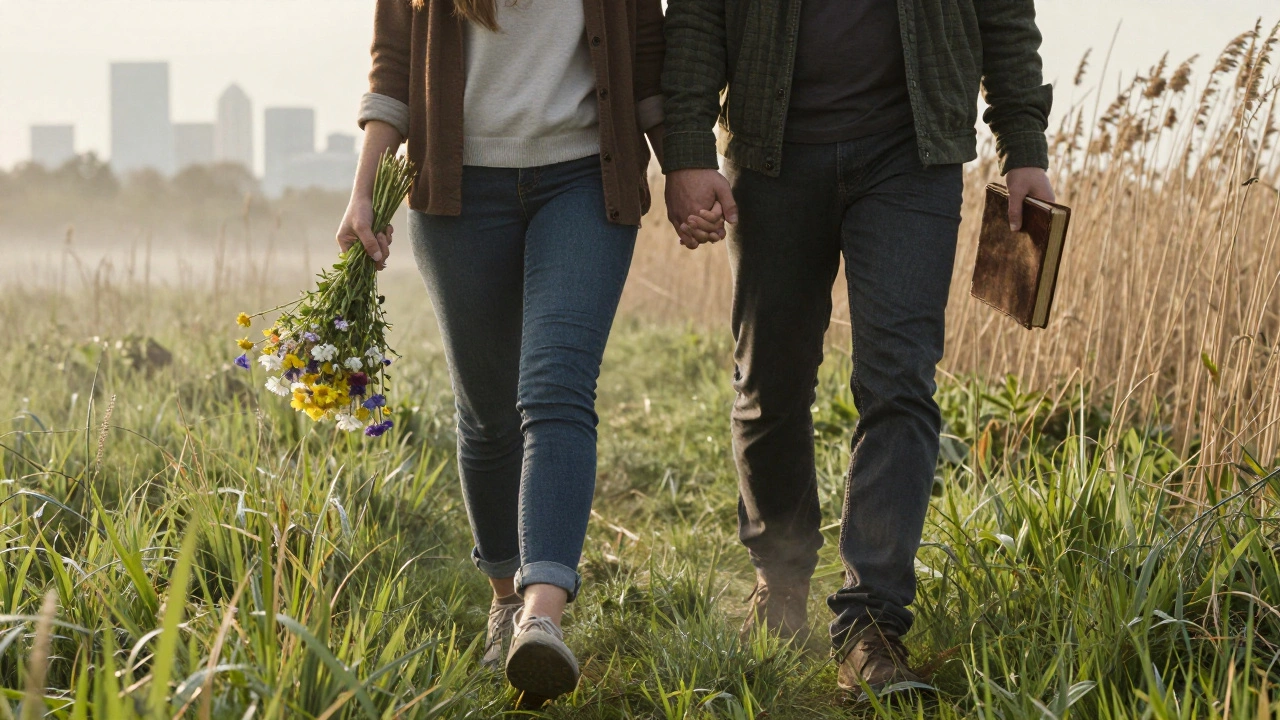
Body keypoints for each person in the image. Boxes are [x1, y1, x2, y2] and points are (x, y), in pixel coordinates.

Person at [660, 0, 1057, 698]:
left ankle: (870, 625)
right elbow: (695, 16)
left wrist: (1024, 146)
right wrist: (688, 149)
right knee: (769, 384)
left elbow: (1003, 12)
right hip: (772, 152)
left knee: (899, 382)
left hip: (912, 158)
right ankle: (779, 585)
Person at [337, 0, 668, 702]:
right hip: (458, 193)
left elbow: (646, 58)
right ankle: (503, 601)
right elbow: (392, 65)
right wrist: (364, 189)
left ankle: (541, 618)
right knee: (487, 414)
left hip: (584, 179)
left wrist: (689, 169)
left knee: (555, 390)